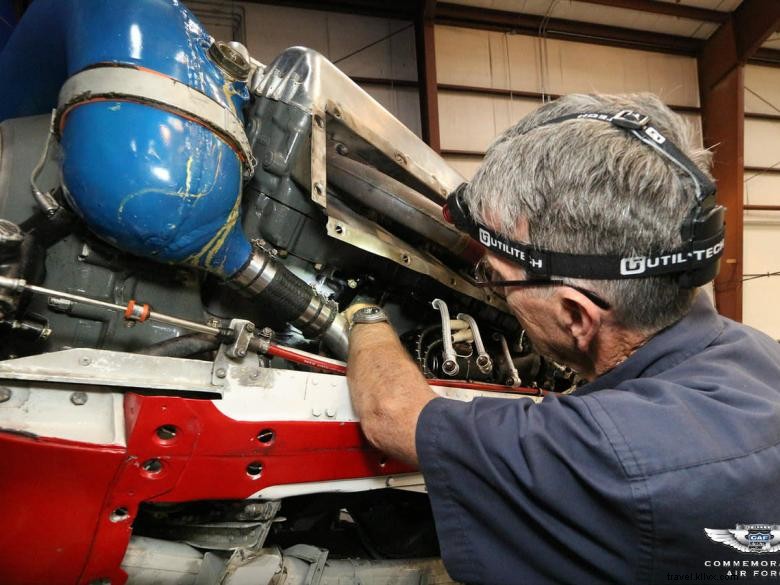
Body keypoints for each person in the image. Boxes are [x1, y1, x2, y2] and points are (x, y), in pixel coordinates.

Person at [346, 93, 780, 585]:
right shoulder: (760, 354)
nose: (495, 292)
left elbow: (391, 415)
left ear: (577, 314)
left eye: (496, 279)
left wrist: (361, 310)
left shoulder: (597, 452)